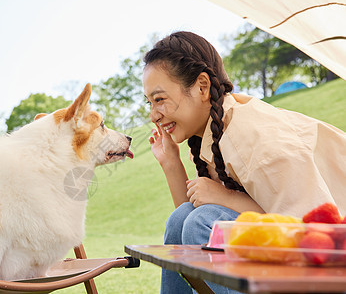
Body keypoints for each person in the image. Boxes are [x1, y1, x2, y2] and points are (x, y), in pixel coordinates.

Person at [142, 31, 346, 294]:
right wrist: (171, 163)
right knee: (182, 219)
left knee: (204, 221)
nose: (153, 115)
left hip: (332, 254)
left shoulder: (255, 138)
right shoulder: (210, 135)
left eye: (159, 99)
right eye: (149, 103)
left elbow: (310, 231)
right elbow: (188, 216)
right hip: (306, 247)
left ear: (202, 87)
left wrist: (224, 197)